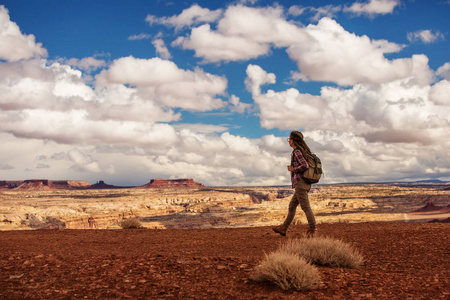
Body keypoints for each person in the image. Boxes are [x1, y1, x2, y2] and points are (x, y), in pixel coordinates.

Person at [272, 131, 317, 237]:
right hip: (304, 183)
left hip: (300, 183)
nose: (289, 141)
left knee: (305, 207)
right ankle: (284, 228)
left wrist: (293, 169)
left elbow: (305, 166)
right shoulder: (304, 150)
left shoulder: (297, 151)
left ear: (293, 140)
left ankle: (313, 229)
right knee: (292, 206)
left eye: (289, 139)